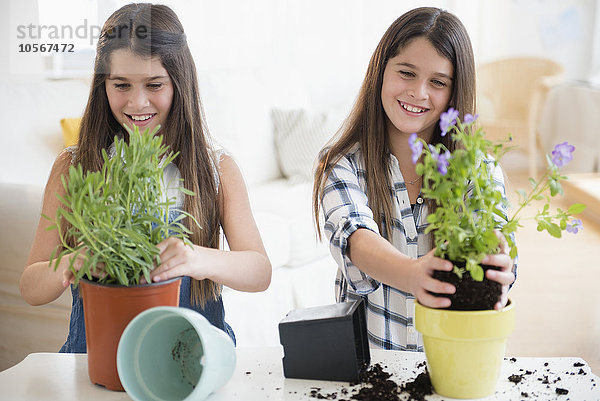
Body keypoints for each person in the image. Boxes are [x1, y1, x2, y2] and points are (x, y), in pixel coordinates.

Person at [19, 3, 271, 352]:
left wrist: (196, 258)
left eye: (154, 84)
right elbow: (31, 287)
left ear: (180, 83)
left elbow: (259, 271)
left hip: (191, 361)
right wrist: (78, 259)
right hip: (98, 358)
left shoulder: (215, 169)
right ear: (101, 85)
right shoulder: (75, 165)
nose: (138, 102)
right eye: (121, 85)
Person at [312, 7, 515, 351]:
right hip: (371, 369)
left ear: (455, 92)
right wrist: (412, 274)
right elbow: (355, 237)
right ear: (380, 72)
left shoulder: (477, 169)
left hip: (453, 364)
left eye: (438, 82)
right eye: (406, 73)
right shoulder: (340, 163)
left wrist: (498, 259)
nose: (419, 92)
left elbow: (491, 230)